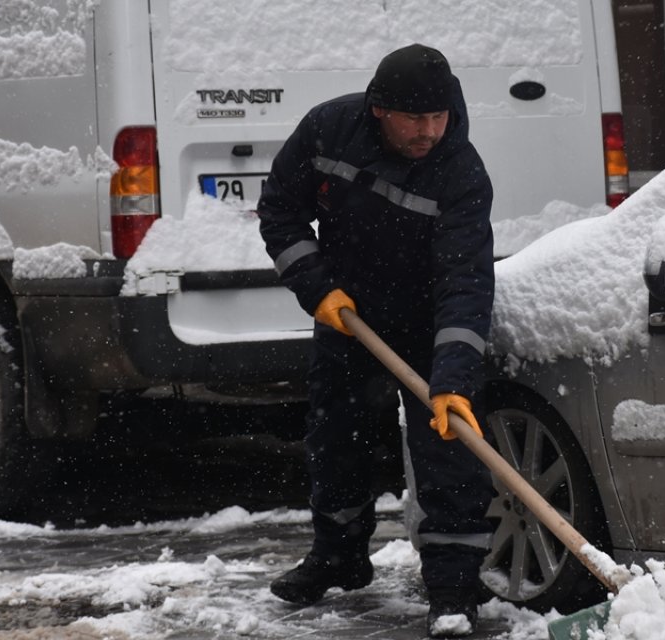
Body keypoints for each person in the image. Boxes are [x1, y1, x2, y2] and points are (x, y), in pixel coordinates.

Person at [256, 43, 495, 638]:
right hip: (350, 312)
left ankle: (452, 590)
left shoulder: (460, 172)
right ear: (379, 109)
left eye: (439, 117)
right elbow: (279, 211)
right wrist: (318, 288)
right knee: (337, 436)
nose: (429, 131)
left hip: (426, 321)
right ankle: (337, 557)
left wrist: (453, 381)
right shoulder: (328, 130)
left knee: (448, 449)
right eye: (415, 119)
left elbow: (466, 283)